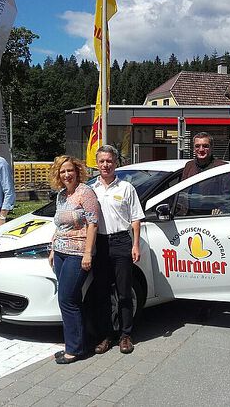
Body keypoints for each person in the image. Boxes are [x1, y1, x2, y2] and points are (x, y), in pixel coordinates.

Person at [92, 145, 145, 355]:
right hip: (100, 244)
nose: (106, 165)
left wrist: (135, 244)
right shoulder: (91, 189)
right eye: (102, 161)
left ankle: (126, 335)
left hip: (122, 241)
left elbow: (136, 218)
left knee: (124, 292)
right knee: (102, 293)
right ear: (97, 164)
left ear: (116, 163)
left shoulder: (126, 188)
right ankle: (106, 335)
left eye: (110, 161)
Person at [48, 155, 99, 364]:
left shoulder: (85, 192)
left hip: (77, 252)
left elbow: (93, 224)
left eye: (70, 170)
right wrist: (52, 249)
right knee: (72, 299)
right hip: (60, 251)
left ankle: (75, 349)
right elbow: (59, 225)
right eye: (62, 171)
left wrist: (88, 253)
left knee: (66, 299)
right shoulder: (61, 195)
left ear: (77, 171)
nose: (67, 174)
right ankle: (76, 343)